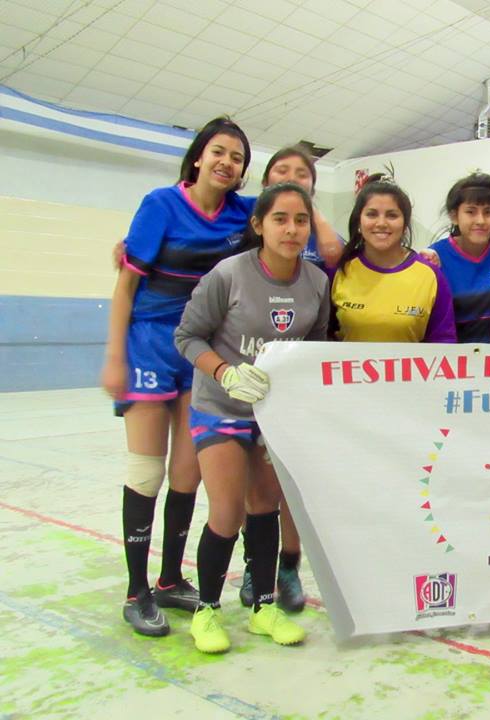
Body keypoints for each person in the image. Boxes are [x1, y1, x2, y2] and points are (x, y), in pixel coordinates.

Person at [101, 117, 254, 637]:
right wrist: (113, 357)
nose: (226, 163)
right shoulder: (159, 205)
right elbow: (125, 288)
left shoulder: (244, 215)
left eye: (236, 157)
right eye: (218, 151)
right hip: (147, 344)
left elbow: (294, 209)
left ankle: (169, 579)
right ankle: (135, 590)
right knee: (147, 471)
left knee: (187, 475)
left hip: (200, 351)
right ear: (197, 157)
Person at [175, 182, 330, 653]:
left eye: (300, 220)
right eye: (280, 219)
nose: (291, 229)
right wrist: (224, 372)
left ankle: (265, 607)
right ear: (258, 224)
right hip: (220, 406)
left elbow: (316, 348)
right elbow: (186, 337)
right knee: (226, 510)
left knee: (264, 507)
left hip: (272, 413)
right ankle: (206, 612)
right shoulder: (227, 275)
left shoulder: (317, 283)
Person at [233, 145, 341, 614]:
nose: (294, 177)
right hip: (248, 375)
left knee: (295, 482)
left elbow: (342, 254)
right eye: (284, 171)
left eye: (304, 173)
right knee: (255, 486)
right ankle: (256, 564)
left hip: (303, 375)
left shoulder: (318, 239)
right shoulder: (245, 237)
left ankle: (289, 566)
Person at [330, 180, 456, 343]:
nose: (381, 223)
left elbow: (443, 341)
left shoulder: (430, 275)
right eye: (372, 214)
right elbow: (323, 335)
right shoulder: (339, 270)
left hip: (412, 370)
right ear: (359, 221)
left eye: (392, 215)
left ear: (405, 224)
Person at [427, 173, 490, 342]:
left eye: (488, 212)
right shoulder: (435, 258)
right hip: (454, 361)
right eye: (471, 212)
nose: (480, 220)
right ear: (454, 216)